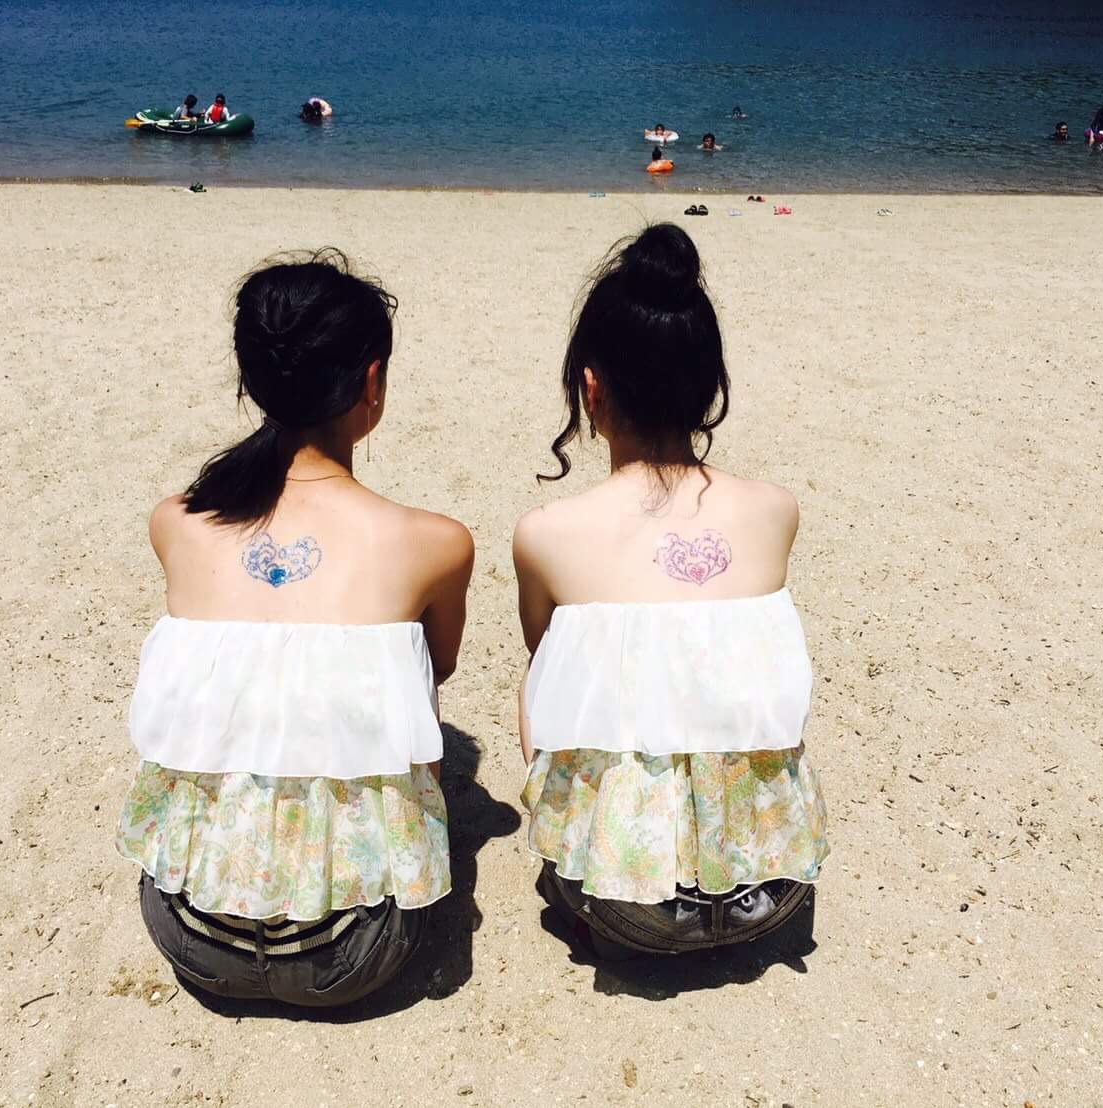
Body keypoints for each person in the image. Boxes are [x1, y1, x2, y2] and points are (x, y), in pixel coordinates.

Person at [115, 250, 475, 1007]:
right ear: (372, 384)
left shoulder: (175, 523)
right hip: (353, 952)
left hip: (188, 931)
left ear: (252, 382)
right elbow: (434, 670)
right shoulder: (435, 542)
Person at [512, 224, 828, 958]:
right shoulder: (776, 510)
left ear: (591, 388)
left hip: (629, 909)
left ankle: (595, 853)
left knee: (546, 667)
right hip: (773, 892)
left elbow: (548, 669)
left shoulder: (546, 532)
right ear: (709, 385)